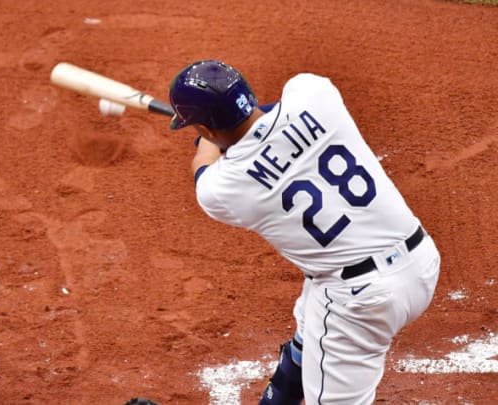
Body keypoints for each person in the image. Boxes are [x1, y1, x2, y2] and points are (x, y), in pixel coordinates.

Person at [167, 60, 441, 405]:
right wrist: (223, 130)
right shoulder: (314, 94)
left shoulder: (223, 189)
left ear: (205, 129)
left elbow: (203, 166)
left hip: (360, 304)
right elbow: (267, 117)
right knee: (307, 338)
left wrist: (206, 142)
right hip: (421, 261)